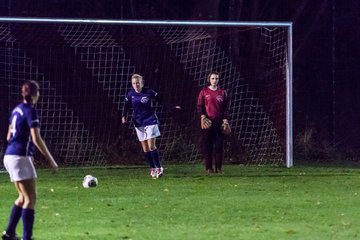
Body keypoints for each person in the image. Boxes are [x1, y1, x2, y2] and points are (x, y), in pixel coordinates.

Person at [2, 80, 58, 240]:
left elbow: (8, 136)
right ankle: (28, 237)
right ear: (35, 94)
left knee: (22, 197)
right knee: (30, 199)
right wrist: (50, 159)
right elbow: (36, 138)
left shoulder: (16, 110)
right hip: (19, 156)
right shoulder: (30, 110)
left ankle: (9, 233)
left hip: (9, 156)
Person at [122, 74, 164, 179]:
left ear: (142, 82)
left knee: (151, 146)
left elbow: (161, 100)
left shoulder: (148, 92)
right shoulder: (130, 94)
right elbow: (126, 106)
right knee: (145, 148)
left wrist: (172, 106)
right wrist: (123, 115)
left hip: (150, 121)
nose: (136, 85)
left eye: (137, 83)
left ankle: (159, 167)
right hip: (138, 123)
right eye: (134, 83)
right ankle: (152, 168)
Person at [197, 71, 231, 174]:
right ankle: (208, 168)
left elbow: (225, 108)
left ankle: (219, 168)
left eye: (216, 78)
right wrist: (203, 117)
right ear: (209, 79)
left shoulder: (222, 92)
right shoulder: (204, 92)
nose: (214, 80)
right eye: (212, 78)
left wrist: (225, 120)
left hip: (219, 122)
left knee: (219, 145)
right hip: (208, 122)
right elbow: (200, 106)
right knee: (208, 145)